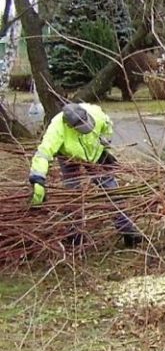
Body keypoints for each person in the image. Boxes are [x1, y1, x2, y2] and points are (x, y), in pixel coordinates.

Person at [28, 103, 141, 248]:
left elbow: (107, 127)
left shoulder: (96, 113)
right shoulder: (57, 129)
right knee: (73, 195)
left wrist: (104, 148)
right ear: (70, 126)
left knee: (112, 191)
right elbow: (43, 154)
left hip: (95, 154)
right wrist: (38, 178)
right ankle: (75, 235)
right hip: (69, 157)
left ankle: (128, 231)